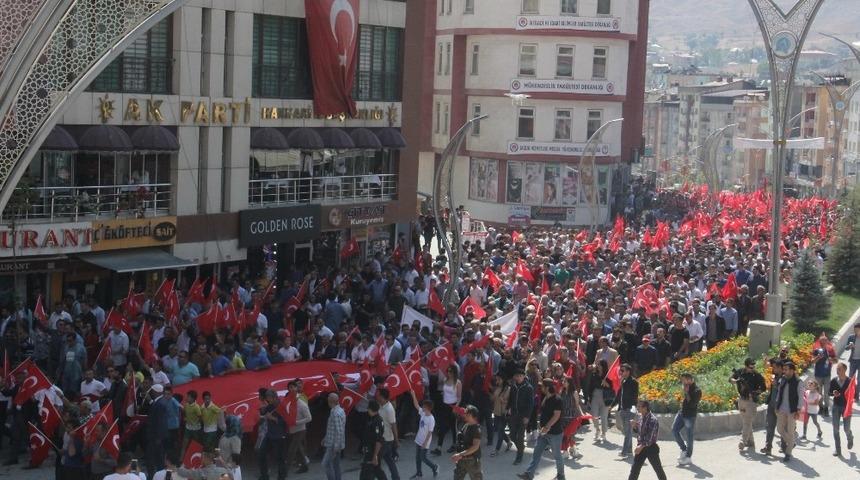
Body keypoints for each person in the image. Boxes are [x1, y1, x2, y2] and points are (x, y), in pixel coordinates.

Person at [517, 379, 565, 480]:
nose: (540, 388)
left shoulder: (557, 399)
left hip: (555, 434)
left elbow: (556, 416)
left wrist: (546, 427)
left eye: (542, 386)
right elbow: (542, 413)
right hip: (543, 433)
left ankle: (561, 476)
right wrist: (540, 426)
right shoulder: (545, 398)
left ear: (547, 388)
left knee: (557, 456)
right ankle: (529, 474)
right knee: (536, 453)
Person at [730, 357, 765, 453]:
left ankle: (743, 441)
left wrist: (755, 392)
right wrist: (734, 380)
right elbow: (731, 378)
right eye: (750, 367)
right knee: (746, 421)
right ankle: (751, 442)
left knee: (747, 422)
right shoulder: (740, 372)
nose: (752, 369)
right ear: (746, 366)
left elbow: (763, 388)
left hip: (751, 401)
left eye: (754, 367)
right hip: (741, 400)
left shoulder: (757, 375)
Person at [628, 400, 667, 480]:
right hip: (641, 447)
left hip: (651, 448)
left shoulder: (653, 420)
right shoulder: (641, 416)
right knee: (634, 470)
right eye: (637, 406)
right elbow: (640, 431)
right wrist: (635, 426)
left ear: (645, 408)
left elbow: (649, 438)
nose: (637, 408)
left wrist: (640, 447)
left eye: (639, 407)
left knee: (658, 469)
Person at [775, 362, 803, 462]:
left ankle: (788, 453)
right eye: (784, 369)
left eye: (786, 369)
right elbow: (779, 393)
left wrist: (798, 410)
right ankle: (791, 443)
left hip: (792, 411)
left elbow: (800, 397)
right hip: (782, 409)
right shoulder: (783, 379)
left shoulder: (798, 381)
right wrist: (777, 405)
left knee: (790, 432)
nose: (784, 371)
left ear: (792, 370)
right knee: (779, 429)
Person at [432, 364, 461, 456]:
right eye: (447, 371)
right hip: (444, 405)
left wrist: (456, 407)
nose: (448, 373)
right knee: (442, 426)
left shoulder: (458, 382)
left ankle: (454, 444)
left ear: (454, 372)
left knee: (453, 427)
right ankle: (439, 448)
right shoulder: (445, 380)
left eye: (450, 371)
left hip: (453, 406)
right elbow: (444, 391)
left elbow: (459, 397)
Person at [672, 373, 701, 465]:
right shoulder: (686, 387)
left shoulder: (697, 391)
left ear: (689, 379)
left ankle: (688, 457)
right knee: (674, 430)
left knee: (689, 437)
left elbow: (692, 404)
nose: (682, 382)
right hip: (681, 413)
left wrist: (687, 392)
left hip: (690, 416)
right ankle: (683, 449)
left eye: (683, 380)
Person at [507, 369, 534, 465]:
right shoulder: (513, 386)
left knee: (520, 437)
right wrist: (508, 408)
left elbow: (531, 404)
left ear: (523, 376)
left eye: (520, 376)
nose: (518, 378)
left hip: (523, 416)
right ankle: (521, 448)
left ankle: (519, 456)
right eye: (516, 376)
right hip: (514, 414)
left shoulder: (528, 388)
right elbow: (511, 398)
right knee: (512, 435)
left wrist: (527, 416)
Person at [409, 390, 438, 478]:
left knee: (423, 458)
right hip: (418, 439)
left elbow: (430, 432)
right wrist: (413, 395)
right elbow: (416, 405)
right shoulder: (423, 413)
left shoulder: (431, 419)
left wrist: (425, 443)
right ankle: (419, 473)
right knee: (417, 458)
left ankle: (434, 467)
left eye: (424, 406)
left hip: (425, 442)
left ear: (428, 408)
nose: (422, 407)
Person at [259, 390, 286, 480]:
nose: (267, 399)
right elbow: (263, 413)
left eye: (269, 397)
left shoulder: (281, 406)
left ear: (274, 397)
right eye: (267, 397)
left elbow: (285, 421)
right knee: (261, 453)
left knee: (280, 457)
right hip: (269, 434)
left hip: (279, 435)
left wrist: (273, 418)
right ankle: (264, 475)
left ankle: (281, 476)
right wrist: (262, 411)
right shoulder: (270, 406)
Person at [829, 362, 855, 457]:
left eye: (839, 369)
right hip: (836, 407)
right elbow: (829, 392)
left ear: (844, 370)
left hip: (846, 407)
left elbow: (854, 394)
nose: (837, 370)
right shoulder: (834, 380)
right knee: (835, 428)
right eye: (837, 369)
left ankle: (850, 437)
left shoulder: (850, 381)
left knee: (846, 429)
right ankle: (838, 449)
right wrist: (833, 393)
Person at [452, 405, 483, 480]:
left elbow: (475, 447)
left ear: (474, 417)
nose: (465, 416)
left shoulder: (476, 430)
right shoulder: (466, 425)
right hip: (461, 461)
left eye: (468, 415)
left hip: (471, 461)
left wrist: (460, 454)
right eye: (465, 413)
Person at [376, 387, 400, 480]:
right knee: (389, 460)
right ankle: (396, 477)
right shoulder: (380, 406)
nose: (376, 397)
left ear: (382, 397)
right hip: (384, 438)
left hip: (385, 440)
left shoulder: (389, 409)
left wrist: (396, 440)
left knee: (377, 461)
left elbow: (394, 425)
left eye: (378, 395)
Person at [616, 363, 639, 458]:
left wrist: (632, 408)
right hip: (623, 409)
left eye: (623, 370)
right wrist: (613, 405)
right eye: (621, 370)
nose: (621, 372)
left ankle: (624, 452)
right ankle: (629, 450)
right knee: (627, 431)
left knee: (628, 432)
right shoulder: (623, 381)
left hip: (629, 409)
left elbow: (634, 397)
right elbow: (619, 395)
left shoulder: (633, 382)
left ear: (628, 372)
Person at [322, 392, 346, 480]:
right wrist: (325, 438)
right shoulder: (339, 410)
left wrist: (336, 446)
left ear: (331, 401)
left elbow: (339, 431)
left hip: (333, 445)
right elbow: (333, 428)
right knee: (336, 465)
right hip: (335, 443)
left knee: (326, 464)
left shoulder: (335, 413)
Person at [360, 400, 386, 480]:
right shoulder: (372, 419)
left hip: (373, 450)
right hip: (370, 449)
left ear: (371, 409)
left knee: (366, 472)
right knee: (376, 470)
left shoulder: (377, 421)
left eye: (368, 409)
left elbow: (378, 440)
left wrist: (375, 455)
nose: (367, 410)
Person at [846, 323, 860, 402]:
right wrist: (849, 346)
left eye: (857, 330)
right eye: (855, 330)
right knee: (851, 378)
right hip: (853, 360)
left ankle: (857, 395)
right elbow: (846, 348)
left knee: (859, 379)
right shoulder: (851, 337)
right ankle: (851, 394)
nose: (856, 331)